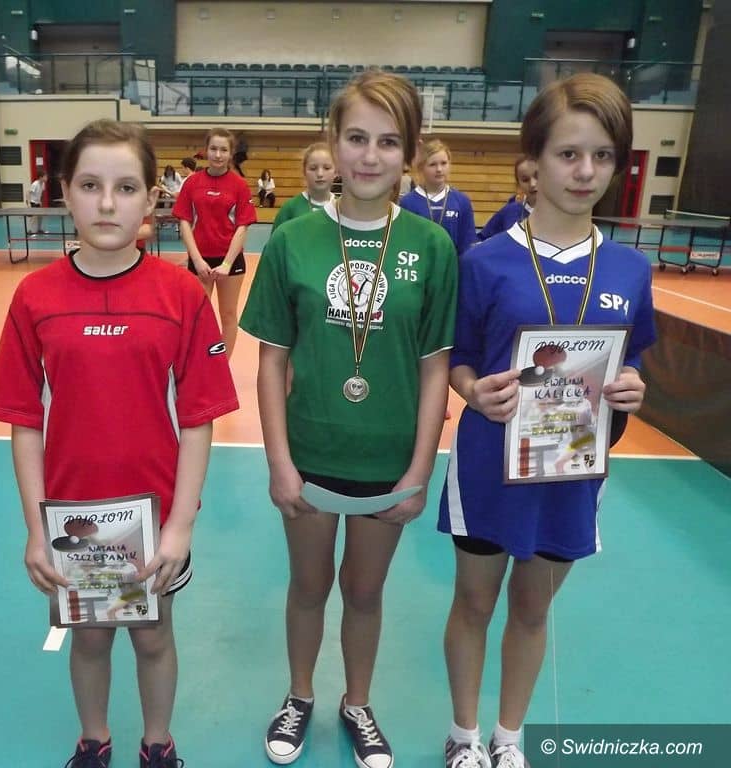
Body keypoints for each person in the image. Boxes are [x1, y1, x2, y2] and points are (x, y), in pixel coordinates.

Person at [0, 119, 239, 768]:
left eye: (125, 188)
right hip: (73, 519)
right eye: (90, 185)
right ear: (65, 191)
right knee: (90, 638)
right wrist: (36, 529)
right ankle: (93, 742)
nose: (106, 203)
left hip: (154, 516)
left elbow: (199, 418)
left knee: (153, 636)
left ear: (151, 197)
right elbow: (23, 420)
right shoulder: (34, 297)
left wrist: (179, 525)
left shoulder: (181, 295)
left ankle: (157, 744)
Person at [239, 70, 457, 768]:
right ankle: (300, 694)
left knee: (365, 592)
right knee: (308, 587)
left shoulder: (432, 246)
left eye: (388, 142)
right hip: (309, 453)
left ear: (409, 153)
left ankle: (357, 703)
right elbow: (271, 360)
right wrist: (279, 462)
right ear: (333, 142)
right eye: (357, 138)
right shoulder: (293, 238)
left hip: (387, 461)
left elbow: (434, 369)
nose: (370, 155)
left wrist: (419, 471)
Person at [437, 73, 655, 768]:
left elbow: (631, 360)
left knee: (533, 609)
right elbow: (459, 360)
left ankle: (508, 739)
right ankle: (464, 736)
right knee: (474, 602)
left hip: (572, 467)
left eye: (602, 155)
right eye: (568, 153)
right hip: (489, 463)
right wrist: (474, 393)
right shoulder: (484, 261)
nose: (585, 171)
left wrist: (632, 386)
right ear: (533, 161)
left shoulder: (630, 268)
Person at [173, 127, 257, 358]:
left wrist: (227, 263)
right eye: (213, 149)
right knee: (197, 316)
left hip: (230, 261)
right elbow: (184, 222)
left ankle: (222, 366)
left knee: (228, 315)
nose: (218, 155)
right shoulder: (192, 183)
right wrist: (196, 260)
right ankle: (199, 363)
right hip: (200, 260)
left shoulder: (239, 185)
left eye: (223, 150)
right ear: (206, 150)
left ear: (230, 153)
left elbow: (243, 226)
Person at [400, 139, 477, 255]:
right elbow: (404, 244)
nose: (439, 169)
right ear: (421, 167)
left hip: (452, 264)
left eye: (444, 163)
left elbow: (468, 245)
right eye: (432, 165)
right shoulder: (408, 203)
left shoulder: (461, 201)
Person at [271, 142, 336, 232]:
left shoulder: (343, 209)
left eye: (327, 168)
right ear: (304, 172)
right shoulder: (290, 208)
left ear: (336, 172)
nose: (320, 174)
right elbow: (276, 240)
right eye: (313, 168)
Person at [477, 156, 538, 242]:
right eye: (525, 180)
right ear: (518, 185)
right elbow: (480, 241)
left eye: (537, 176)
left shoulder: (558, 214)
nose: (532, 184)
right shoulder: (509, 212)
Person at [28, 169, 48, 235]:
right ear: (40, 177)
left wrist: (40, 201)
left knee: (40, 216)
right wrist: (29, 203)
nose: (46, 178)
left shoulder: (43, 184)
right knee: (33, 218)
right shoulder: (35, 184)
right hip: (33, 202)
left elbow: (41, 193)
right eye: (45, 176)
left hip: (38, 202)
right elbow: (28, 193)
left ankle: (39, 230)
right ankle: (30, 231)